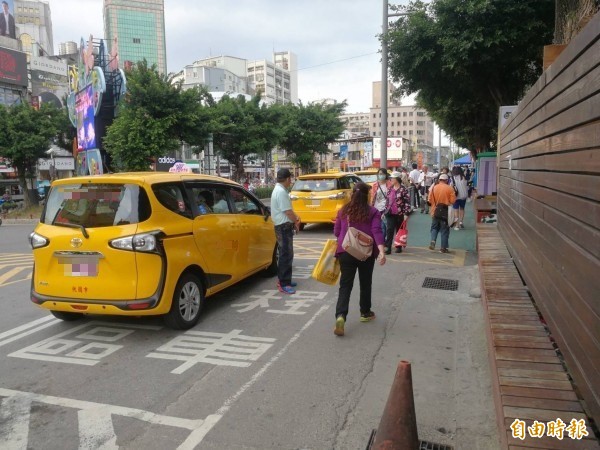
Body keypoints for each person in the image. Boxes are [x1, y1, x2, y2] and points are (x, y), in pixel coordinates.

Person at [333, 182, 386, 336]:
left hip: (346, 251)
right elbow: (377, 231)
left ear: (352, 194)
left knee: (345, 286)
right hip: (365, 254)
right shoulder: (373, 212)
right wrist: (382, 251)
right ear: (367, 195)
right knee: (365, 283)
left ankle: (341, 316)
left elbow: (337, 232)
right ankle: (365, 312)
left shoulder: (343, 210)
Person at [270, 168, 301, 294]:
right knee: (285, 255)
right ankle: (283, 283)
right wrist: (296, 221)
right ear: (288, 179)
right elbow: (288, 212)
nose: (291, 181)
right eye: (291, 179)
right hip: (283, 227)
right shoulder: (281, 192)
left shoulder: (279, 190)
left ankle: (285, 280)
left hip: (282, 226)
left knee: (286, 254)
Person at [384, 171, 411, 254]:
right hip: (390, 213)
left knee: (399, 230)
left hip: (400, 214)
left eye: (392, 178)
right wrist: (385, 210)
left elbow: (407, 202)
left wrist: (406, 214)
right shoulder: (390, 189)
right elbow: (387, 201)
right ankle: (388, 248)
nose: (391, 179)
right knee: (389, 230)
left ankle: (398, 246)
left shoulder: (403, 189)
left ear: (397, 179)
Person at [428, 173, 456, 253]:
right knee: (444, 230)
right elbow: (453, 201)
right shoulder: (450, 188)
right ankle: (443, 248)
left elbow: (429, 200)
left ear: (439, 180)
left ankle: (433, 240)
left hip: (435, 211)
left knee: (434, 227)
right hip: (445, 212)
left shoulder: (433, 188)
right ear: (446, 180)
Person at [370, 168, 391, 238]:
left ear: (386, 175)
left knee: (384, 226)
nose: (381, 175)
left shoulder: (389, 184)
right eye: (379, 174)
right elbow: (372, 197)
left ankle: (382, 242)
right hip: (376, 208)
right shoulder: (375, 185)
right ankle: (381, 241)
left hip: (385, 208)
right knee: (378, 226)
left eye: (382, 174)